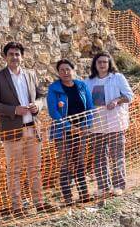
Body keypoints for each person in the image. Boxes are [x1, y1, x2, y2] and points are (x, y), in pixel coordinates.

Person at [0, 41, 53, 216]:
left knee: (35, 168)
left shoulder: (31, 74)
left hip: (33, 128)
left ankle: (39, 203)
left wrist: (38, 106)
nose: (14, 57)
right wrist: (14, 110)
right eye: (11, 54)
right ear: (5, 57)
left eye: (17, 54)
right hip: (12, 130)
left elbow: (41, 97)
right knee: (14, 170)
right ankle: (17, 207)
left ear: (22, 57)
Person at [84, 52, 134, 197]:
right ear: (95, 64)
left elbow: (129, 96)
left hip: (115, 123)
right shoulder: (88, 81)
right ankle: (103, 187)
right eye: (99, 62)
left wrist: (117, 100)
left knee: (117, 155)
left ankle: (119, 185)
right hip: (96, 125)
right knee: (99, 157)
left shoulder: (117, 78)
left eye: (105, 62)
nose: (102, 65)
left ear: (109, 64)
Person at [46, 59, 94, 206]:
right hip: (62, 132)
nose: (65, 72)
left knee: (79, 162)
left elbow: (90, 108)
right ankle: (68, 198)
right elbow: (53, 112)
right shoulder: (54, 89)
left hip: (81, 131)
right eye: (62, 70)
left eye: (68, 69)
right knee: (65, 165)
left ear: (73, 70)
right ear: (58, 73)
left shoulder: (81, 86)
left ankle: (84, 194)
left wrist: (86, 125)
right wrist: (69, 127)